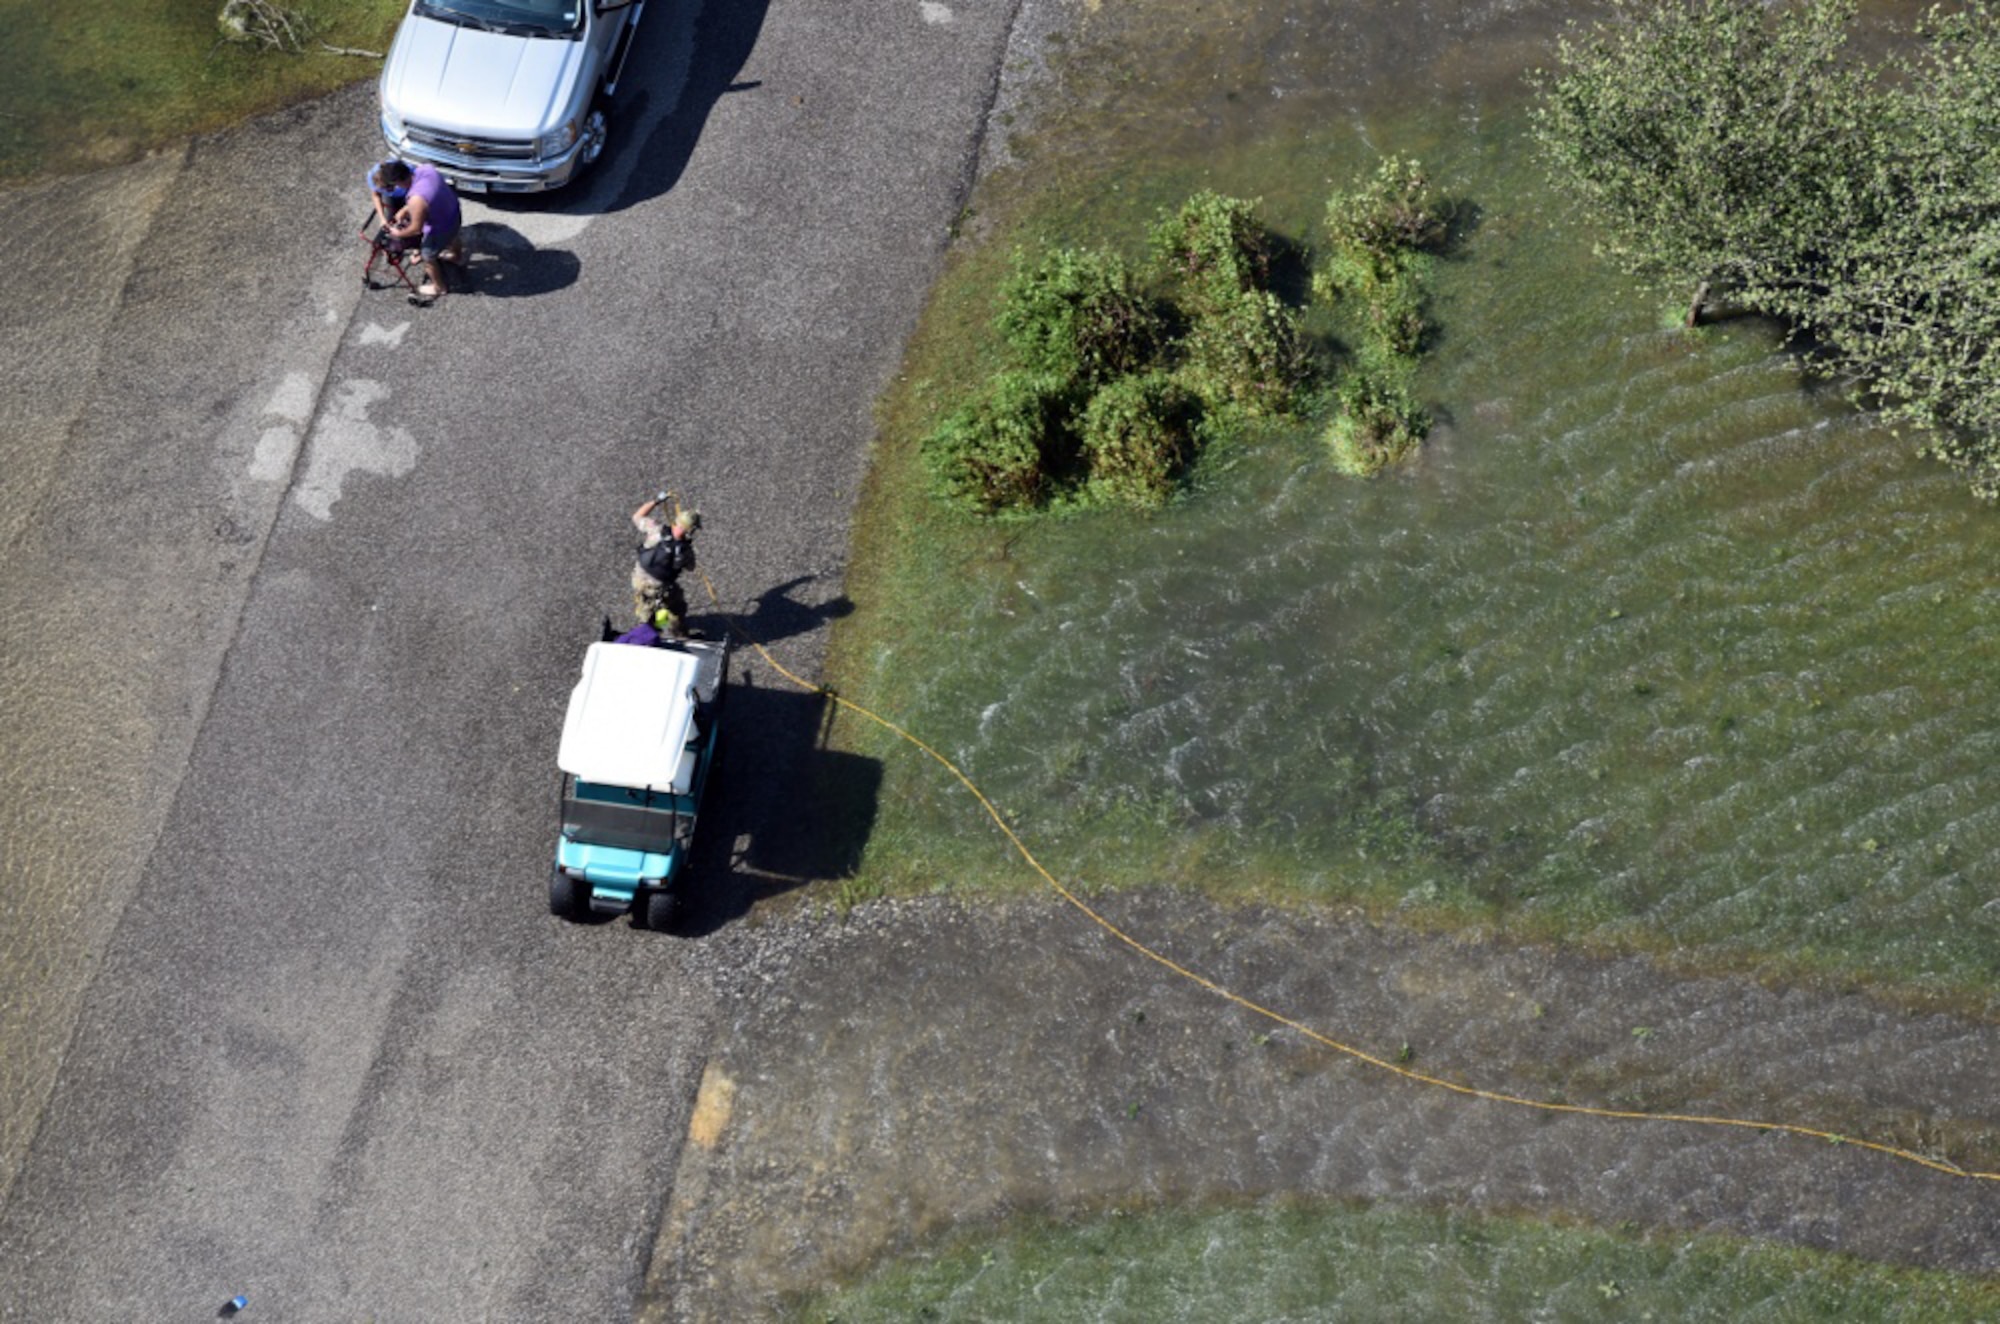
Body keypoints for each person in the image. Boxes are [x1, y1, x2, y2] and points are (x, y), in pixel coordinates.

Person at [368, 159, 464, 300]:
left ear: (397, 182)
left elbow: (416, 229)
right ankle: (456, 256)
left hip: (440, 229)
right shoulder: (426, 169)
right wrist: (406, 209)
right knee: (454, 236)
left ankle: (439, 287)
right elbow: (428, 194)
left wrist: (398, 233)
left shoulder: (415, 199)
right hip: (454, 213)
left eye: (392, 186)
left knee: (428, 256)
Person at [631, 492, 698, 631]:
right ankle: (668, 631)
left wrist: (657, 501)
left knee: (648, 608)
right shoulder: (685, 551)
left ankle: (653, 627)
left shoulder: (656, 530)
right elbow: (691, 567)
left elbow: (637, 516)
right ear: (690, 530)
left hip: (640, 579)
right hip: (661, 588)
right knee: (675, 607)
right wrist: (687, 546)